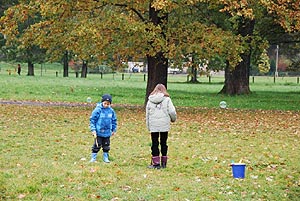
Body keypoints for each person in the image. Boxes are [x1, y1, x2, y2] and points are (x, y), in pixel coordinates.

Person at [146, 84, 177, 169]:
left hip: (153, 125)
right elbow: (172, 111)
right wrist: (173, 119)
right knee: (164, 143)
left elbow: (147, 115)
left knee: (154, 143)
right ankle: (164, 162)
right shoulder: (167, 99)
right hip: (164, 124)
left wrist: (148, 126)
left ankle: (156, 163)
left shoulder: (150, 100)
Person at [89, 94, 117, 163]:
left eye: (108, 104)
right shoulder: (98, 110)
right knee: (97, 145)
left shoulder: (111, 111)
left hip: (107, 132)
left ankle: (106, 157)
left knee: (106, 145)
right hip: (98, 132)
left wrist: (113, 129)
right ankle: (93, 157)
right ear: (102, 102)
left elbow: (114, 120)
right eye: (105, 103)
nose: (106, 105)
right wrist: (93, 130)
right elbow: (92, 120)